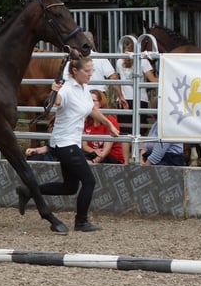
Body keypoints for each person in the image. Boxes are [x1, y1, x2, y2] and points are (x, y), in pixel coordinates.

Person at [16, 55, 119, 233]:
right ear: (75, 71)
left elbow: (91, 109)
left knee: (70, 187)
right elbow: (54, 102)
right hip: (65, 144)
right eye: (87, 71)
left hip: (69, 144)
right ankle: (81, 221)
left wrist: (108, 124)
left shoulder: (84, 88)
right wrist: (54, 90)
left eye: (91, 70)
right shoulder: (67, 89)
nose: (90, 74)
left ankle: (29, 191)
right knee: (89, 181)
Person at [115, 37, 157, 162]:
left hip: (123, 99)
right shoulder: (142, 60)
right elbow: (152, 80)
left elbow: (117, 80)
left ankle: (126, 161)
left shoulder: (119, 61)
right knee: (139, 131)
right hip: (140, 99)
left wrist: (121, 96)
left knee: (124, 132)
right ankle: (139, 159)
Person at [82, 89, 124, 164]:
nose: (89, 103)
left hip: (111, 156)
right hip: (93, 153)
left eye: (93, 100)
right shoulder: (86, 119)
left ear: (101, 103)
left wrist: (93, 161)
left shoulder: (110, 120)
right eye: (88, 100)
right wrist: (93, 151)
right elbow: (84, 145)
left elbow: (106, 151)